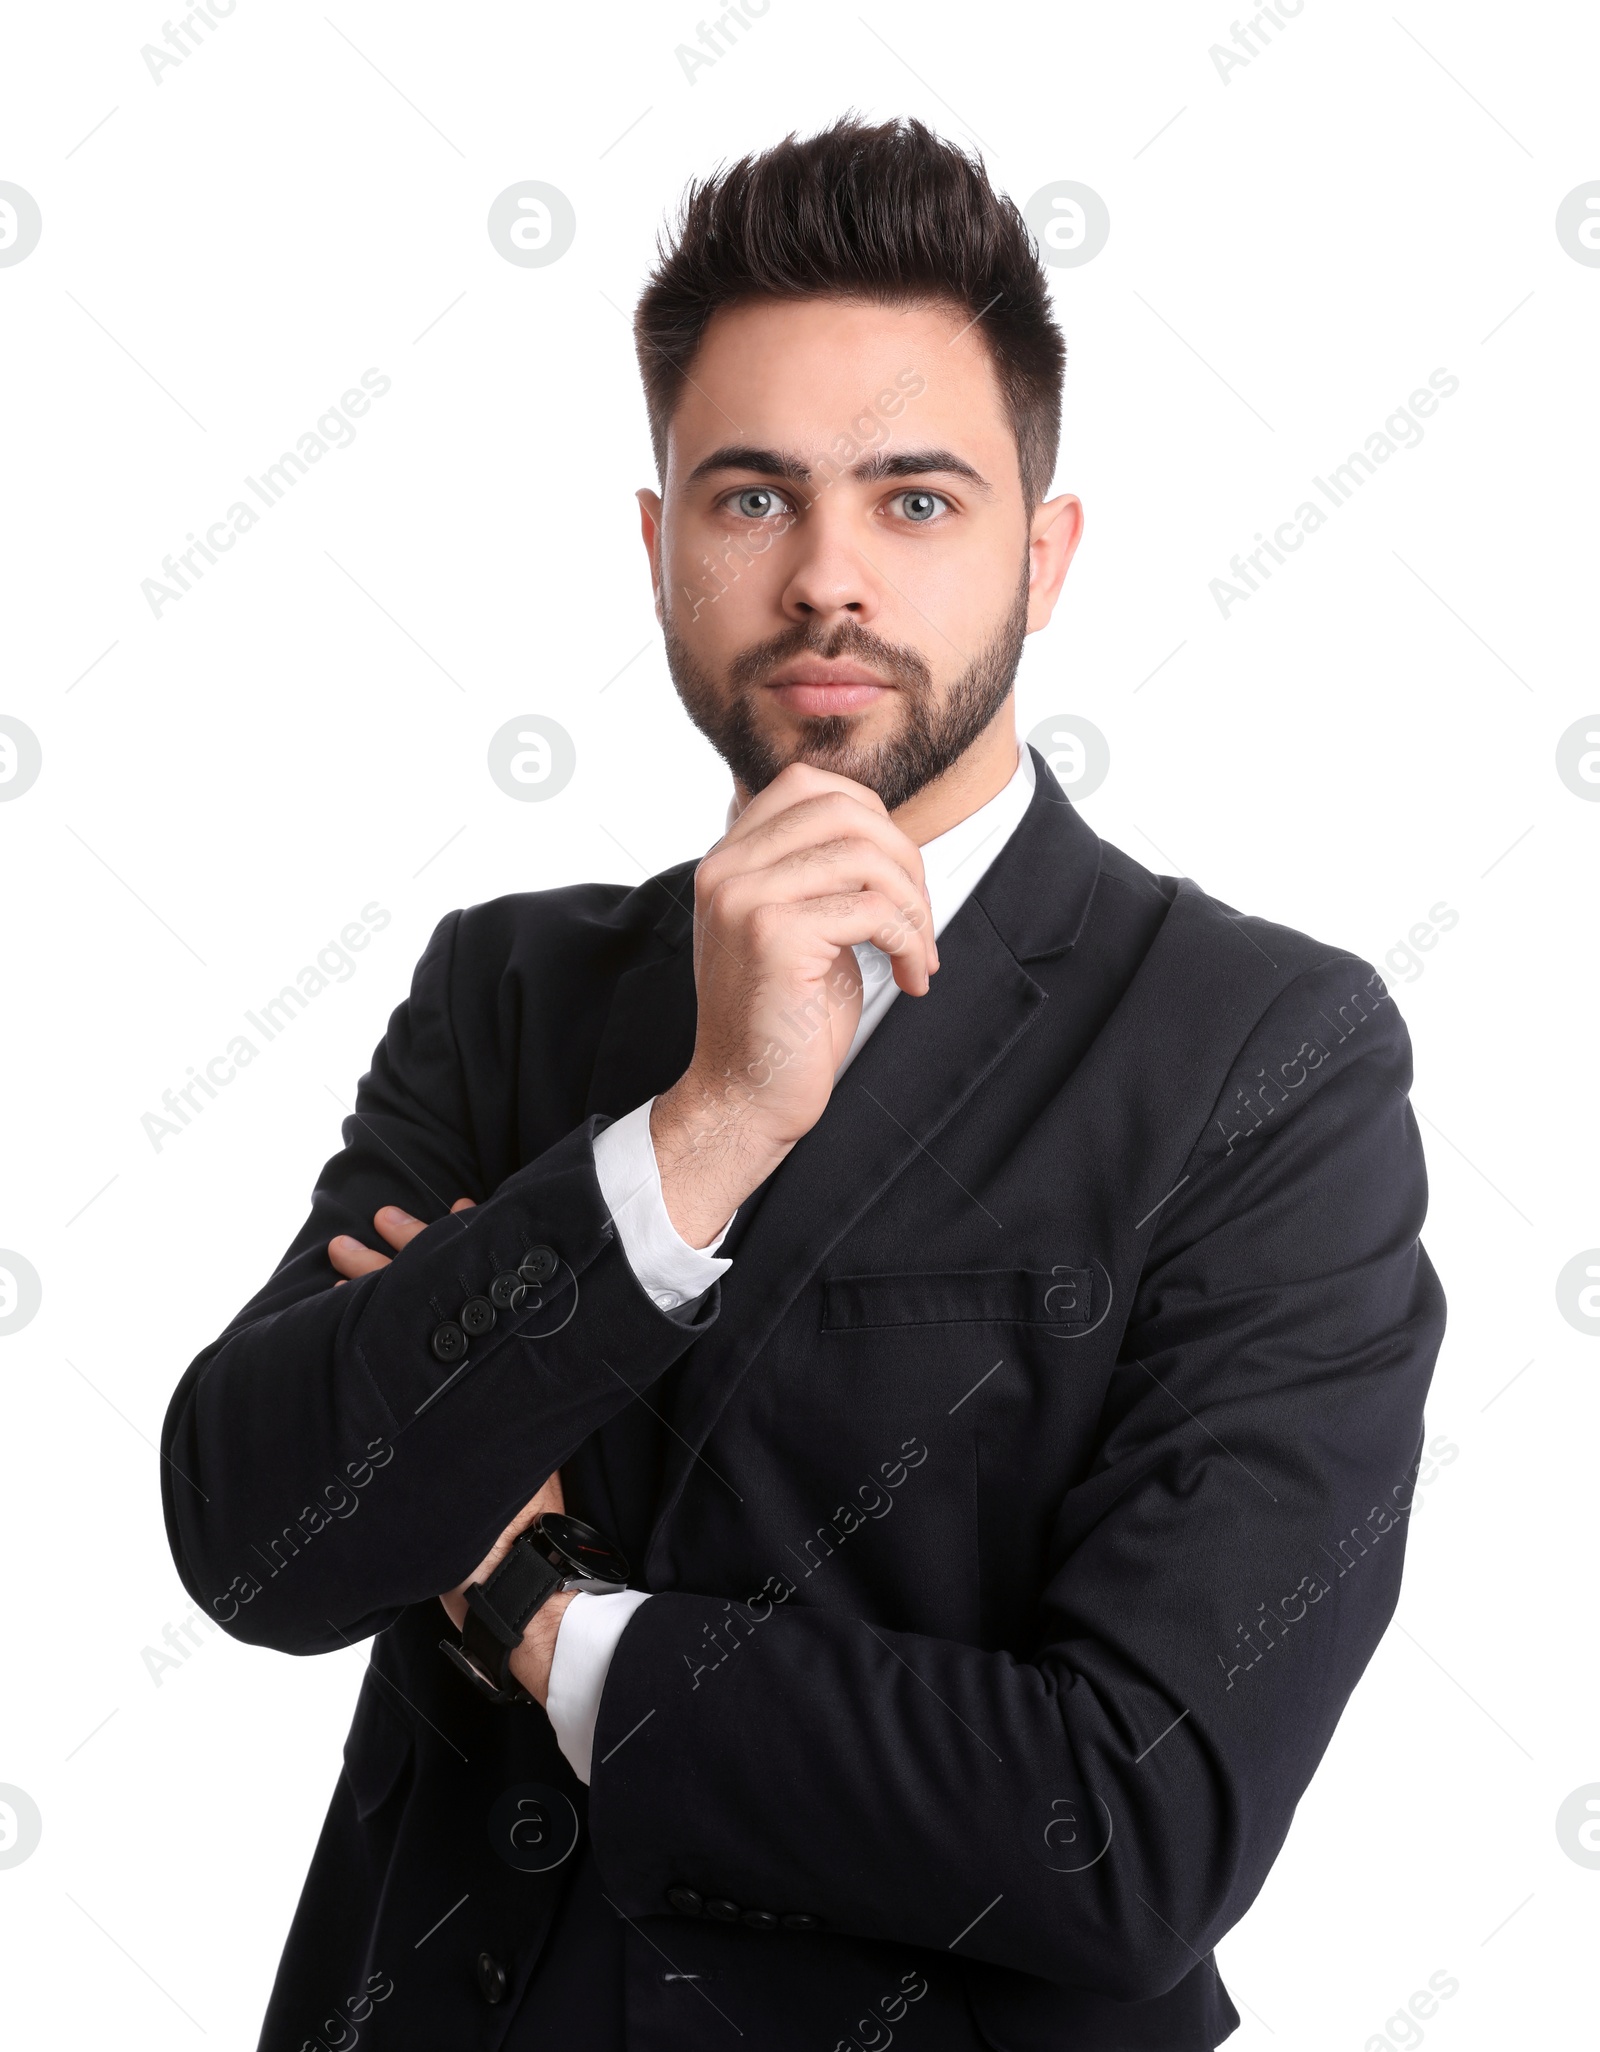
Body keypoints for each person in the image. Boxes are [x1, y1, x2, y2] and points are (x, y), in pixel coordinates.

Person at [161, 116, 1446, 2051]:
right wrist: (694, 1143)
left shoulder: (1263, 1055)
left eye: (916, 501)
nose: (828, 579)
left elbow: (1126, 1824)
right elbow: (262, 1535)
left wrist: (549, 1627)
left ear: (1048, 549)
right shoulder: (511, 982)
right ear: (661, 541)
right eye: (753, 498)